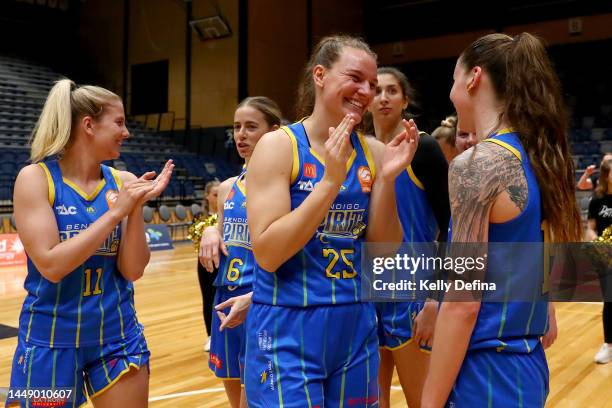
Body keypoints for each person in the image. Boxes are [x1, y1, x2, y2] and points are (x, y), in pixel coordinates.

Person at [242, 35, 419, 408]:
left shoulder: (373, 151)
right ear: (320, 75)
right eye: (355, 78)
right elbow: (269, 253)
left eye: (371, 84)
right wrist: (329, 183)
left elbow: (383, 251)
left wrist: (387, 180)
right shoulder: (279, 147)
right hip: (287, 325)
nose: (365, 92)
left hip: (355, 323)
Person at [422, 32, 582, 408]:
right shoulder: (539, 154)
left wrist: (428, 402)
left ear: (473, 78)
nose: (450, 91)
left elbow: (463, 303)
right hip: (528, 366)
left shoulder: (477, 165)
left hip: (486, 373)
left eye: (453, 78)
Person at [7, 79, 173, 408]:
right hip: (50, 339)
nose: (127, 133)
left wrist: (135, 208)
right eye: (119, 122)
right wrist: (115, 215)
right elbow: (52, 266)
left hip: (117, 335)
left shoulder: (123, 182)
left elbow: (133, 269)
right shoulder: (35, 179)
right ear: (88, 125)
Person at [368, 66, 450, 408]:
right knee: (372, 401)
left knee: (424, 401)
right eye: (377, 91)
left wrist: (435, 299)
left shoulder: (424, 148)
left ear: (405, 100)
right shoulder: (360, 152)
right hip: (368, 293)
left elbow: (452, 226)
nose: (383, 98)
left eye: (392, 91)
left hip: (414, 292)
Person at [199, 96, 282, 408]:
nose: (241, 134)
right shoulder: (228, 186)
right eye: (236, 127)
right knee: (236, 399)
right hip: (225, 296)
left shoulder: (285, 184)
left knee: (256, 398)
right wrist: (210, 230)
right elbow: (222, 232)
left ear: (274, 132)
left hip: (260, 297)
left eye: (251, 126)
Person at [586, 159, 612, 364]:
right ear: (606, 175)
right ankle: (609, 344)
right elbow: (591, 227)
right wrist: (596, 240)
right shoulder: (597, 200)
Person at [196, 179, 220, 352]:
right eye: (215, 194)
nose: (219, 198)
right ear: (207, 196)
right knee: (208, 297)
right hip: (204, 261)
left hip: (225, 260)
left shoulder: (230, 213)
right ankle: (211, 335)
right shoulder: (201, 218)